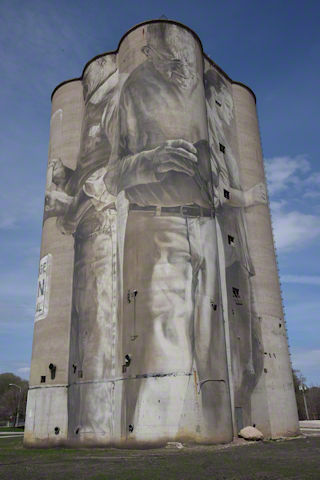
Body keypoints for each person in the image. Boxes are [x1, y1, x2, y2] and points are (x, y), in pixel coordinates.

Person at [104, 22, 233, 443]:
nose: (179, 56)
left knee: (215, 350)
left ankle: (218, 434)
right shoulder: (134, 90)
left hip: (208, 224)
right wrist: (153, 160)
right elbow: (110, 176)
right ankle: (152, 437)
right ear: (150, 51)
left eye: (183, 50)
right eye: (168, 47)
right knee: (162, 345)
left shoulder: (205, 92)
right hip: (158, 223)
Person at [204, 66, 267, 425]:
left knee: (253, 349)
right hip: (224, 256)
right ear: (213, 101)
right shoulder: (208, 139)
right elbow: (215, 189)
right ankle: (234, 417)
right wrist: (249, 197)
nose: (229, 111)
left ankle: (244, 415)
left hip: (239, 258)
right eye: (225, 104)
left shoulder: (226, 144)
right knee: (240, 345)